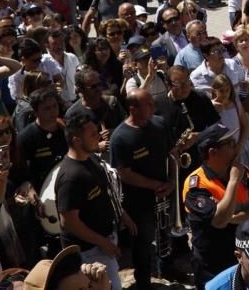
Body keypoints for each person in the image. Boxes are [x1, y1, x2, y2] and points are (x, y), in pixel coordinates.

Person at [182, 122, 249, 287]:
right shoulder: (196, 186)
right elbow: (219, 221)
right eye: (229, 144)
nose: (235, 146)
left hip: (244, 255)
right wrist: (234, 181)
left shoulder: (241, 172)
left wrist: (234, 218)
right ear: (213, 152)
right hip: (213, 264)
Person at [56, 112, 135, 290]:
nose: (98, 137)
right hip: (88, 253)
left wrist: (122, 214)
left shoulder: (91, 159)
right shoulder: (71, 177)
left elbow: (106, 193)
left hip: (104, 243)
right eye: (92, 134)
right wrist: (102, 242)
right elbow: (69, 222)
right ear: (77, 141)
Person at [109, 89, 170, 290]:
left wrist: (170, 182)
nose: (153, 107)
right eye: (148, 105)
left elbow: (169, 155)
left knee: (166, 233)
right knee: (142, 244)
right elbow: (124, 173)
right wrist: (154, 185)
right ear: (133, 109)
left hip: (164, 194)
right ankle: (144, 283)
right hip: (138, 201)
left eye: (152, 103)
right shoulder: (120, 137)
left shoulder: (159, 124)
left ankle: (166, 269)